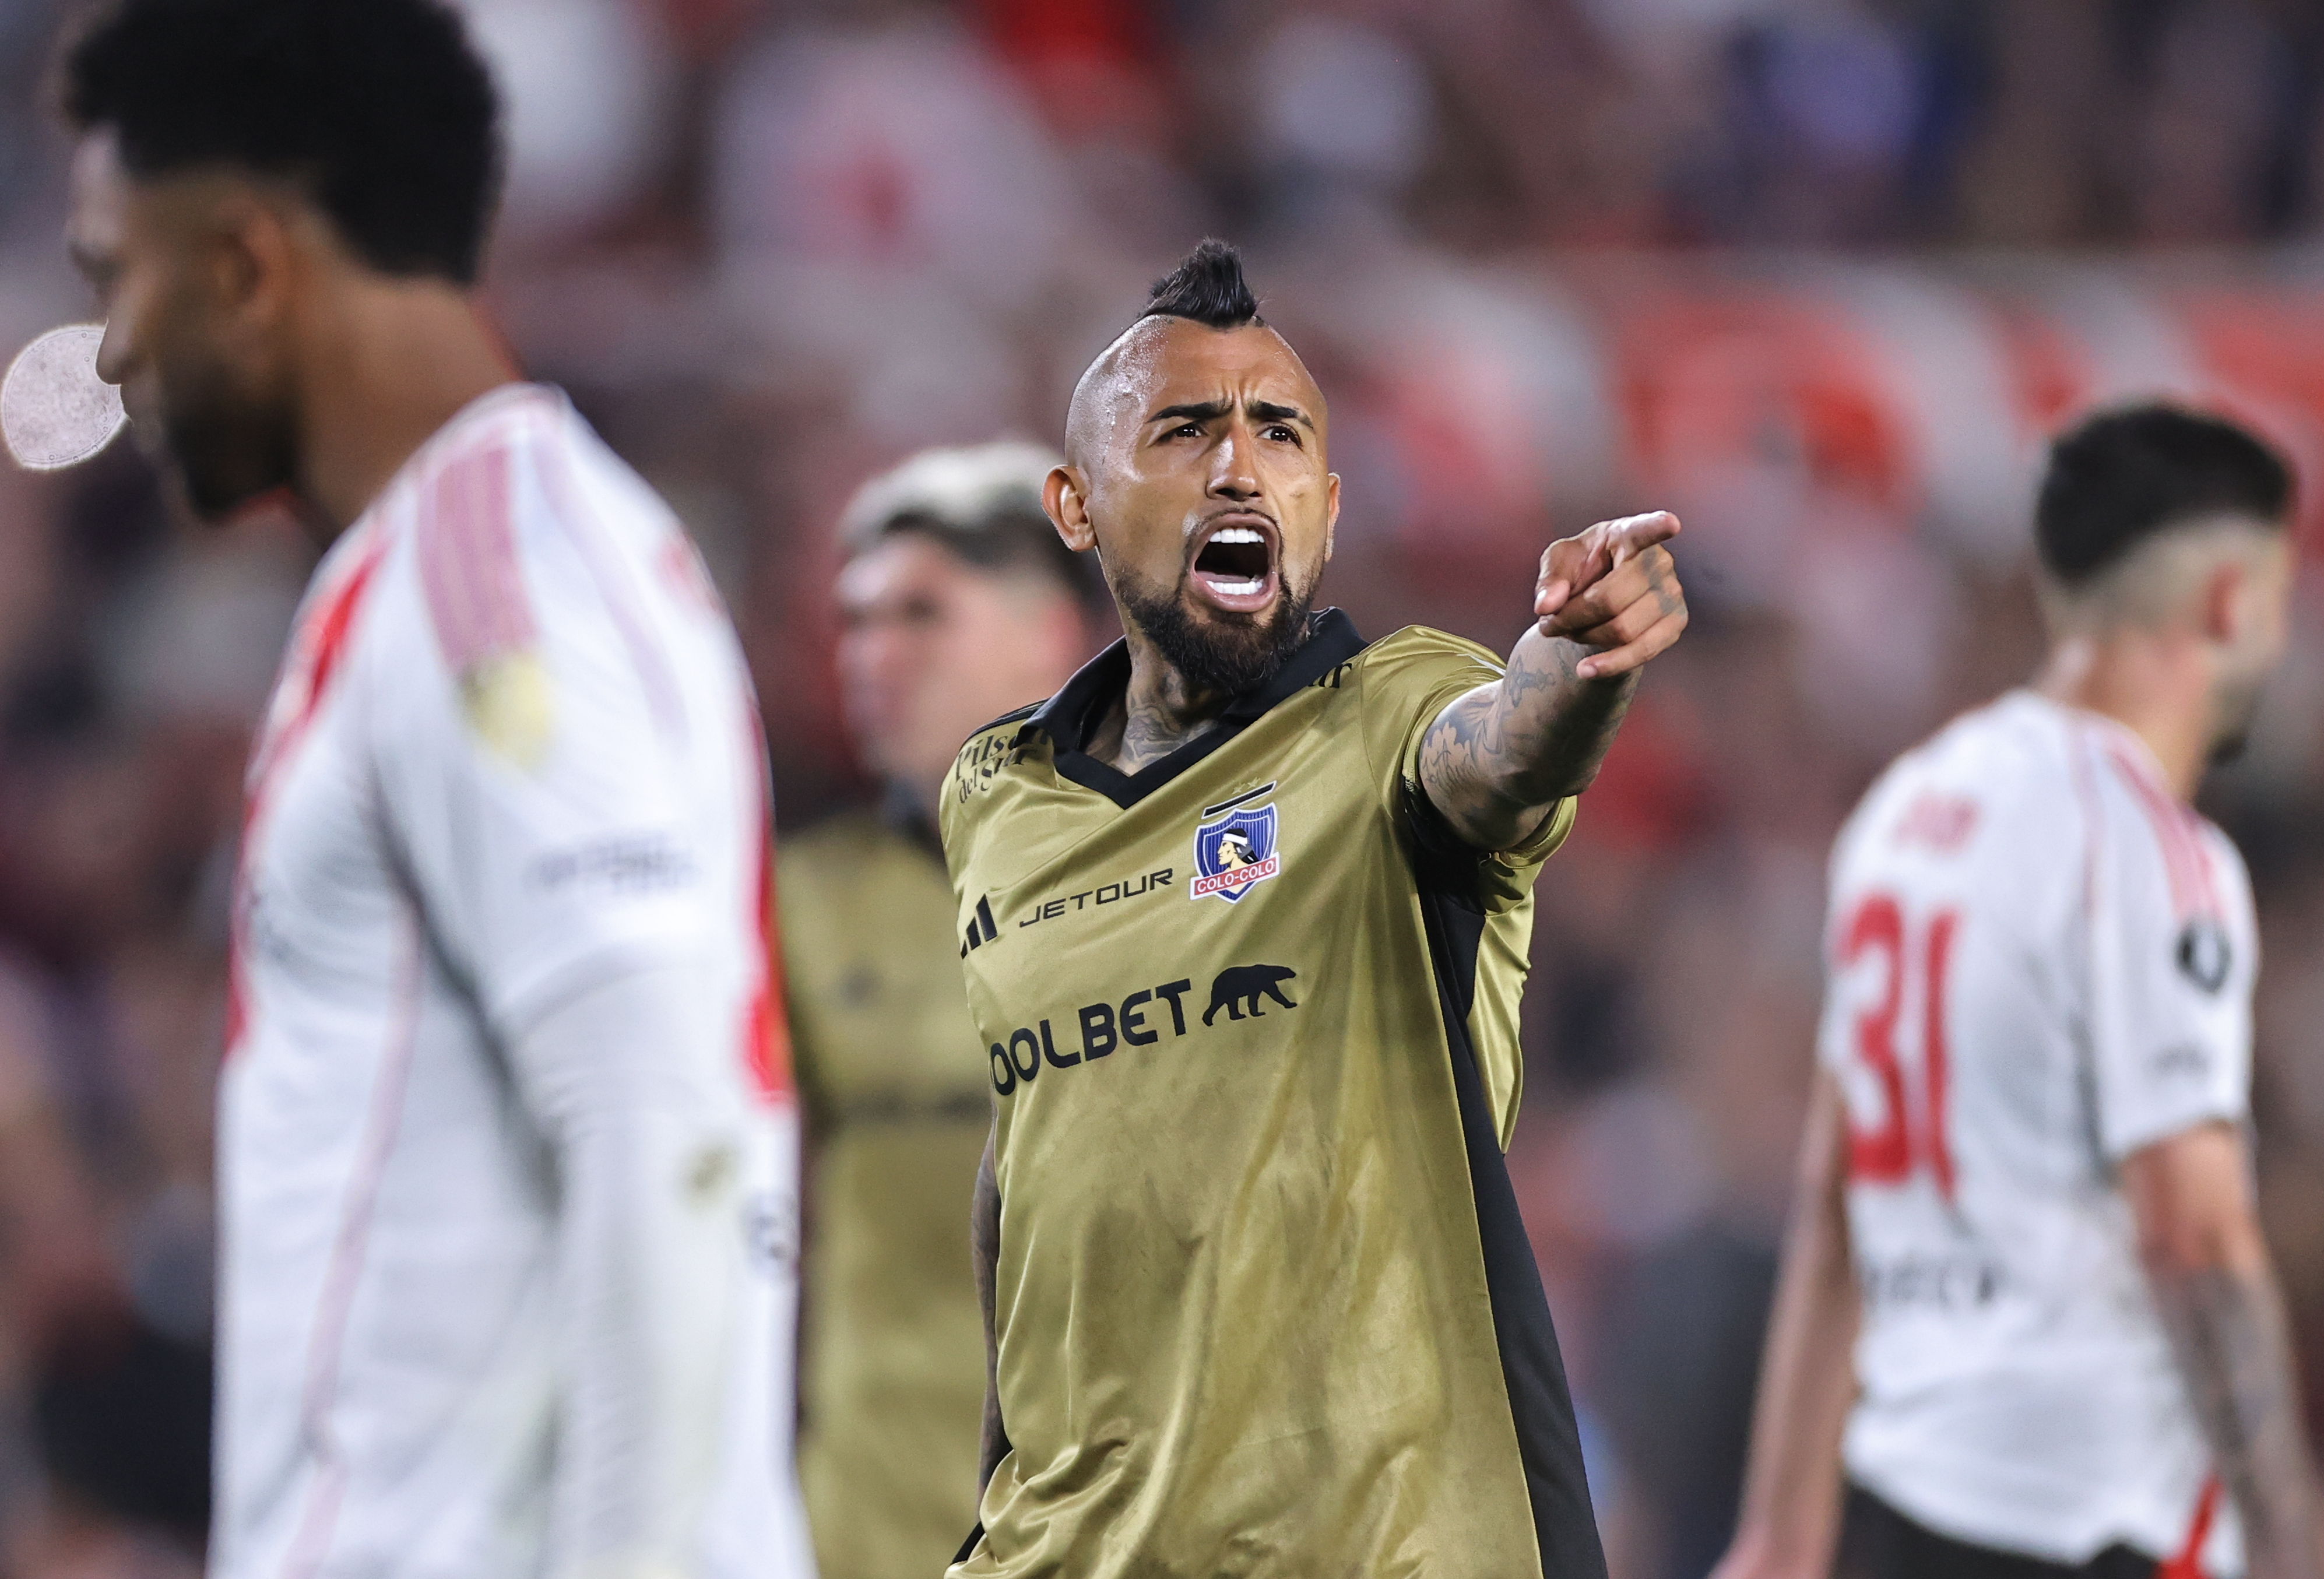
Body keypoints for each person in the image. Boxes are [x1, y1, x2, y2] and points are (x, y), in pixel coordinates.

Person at [56, 3, 812, 1577]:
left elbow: (664, 1135)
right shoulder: (437, 575)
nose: (112, 347)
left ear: (249, 265)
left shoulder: (496, 597)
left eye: (117, 270)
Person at [941, 240, 1688, 1578]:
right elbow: (1031, 1145)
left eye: (1278, 432)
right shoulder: (995, 798)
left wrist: (1575, 665)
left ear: (1327, 507)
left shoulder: (1386, 717)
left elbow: (1505, 745)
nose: (1240, 464)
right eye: (1185, 429)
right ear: (1075, 506)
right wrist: (995, 1482)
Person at [1713, 405, 2324, 1579]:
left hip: (1898, 1491)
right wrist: (2300, 1541)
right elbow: (2193, 1230)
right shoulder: (2151, 849)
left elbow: (1835, 1188)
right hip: (2082, 1505)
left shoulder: (1905, 808)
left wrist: (1783, 1529)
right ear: (2223, 600)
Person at [778, 442, 1100, 1579]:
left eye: (922, 613)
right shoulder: (790, 912)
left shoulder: (1178, 894)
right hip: (855, 1537)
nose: (873, 656)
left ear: (1046, 632)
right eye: (856, 622)